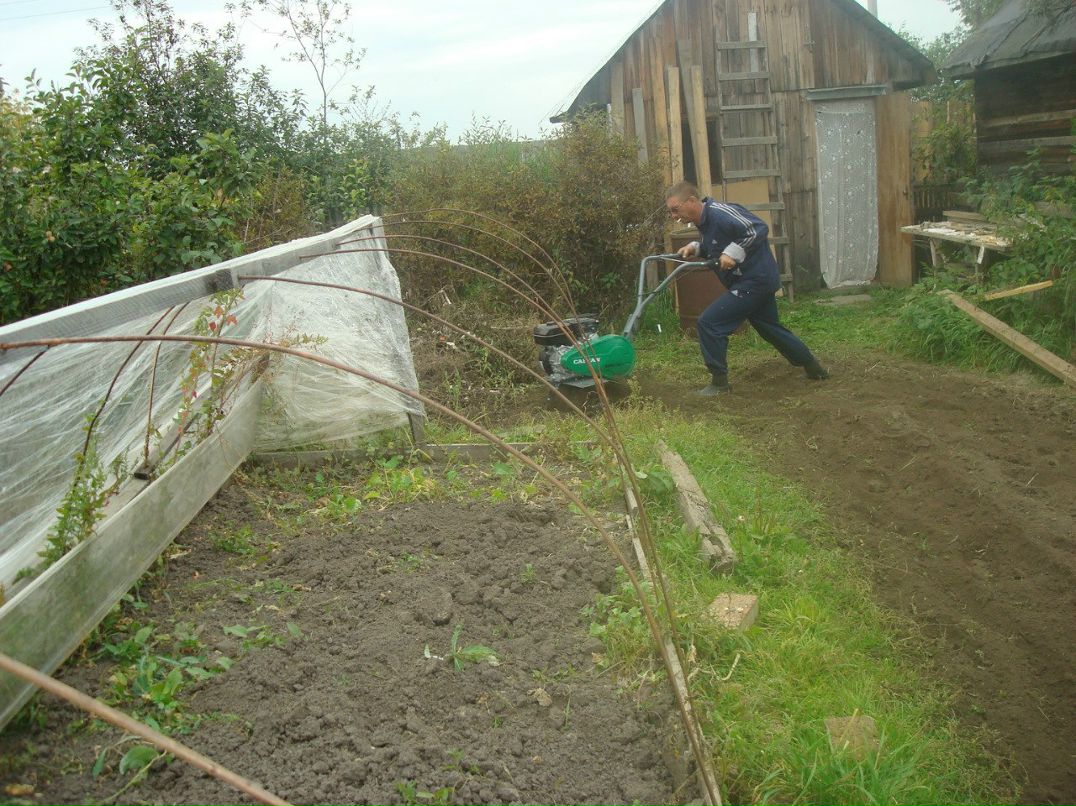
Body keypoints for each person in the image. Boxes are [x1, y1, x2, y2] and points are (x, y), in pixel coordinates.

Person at [665, 181, 829, 396]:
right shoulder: (704, 222)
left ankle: (719, 383)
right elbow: (715, 244)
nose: (673, 216)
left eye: (675, 210)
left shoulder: (720, 213)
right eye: (670, 212)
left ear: (692, 201)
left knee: (709, 322)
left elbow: (756, 228)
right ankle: (812, 366)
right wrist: (695, 247)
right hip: (752, 281)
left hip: (754, 281)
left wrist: (732, 253)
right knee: (769, 328)